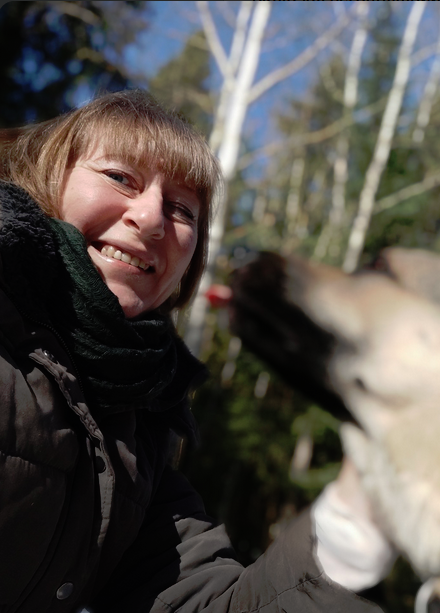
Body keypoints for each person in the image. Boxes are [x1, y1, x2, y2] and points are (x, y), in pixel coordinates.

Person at [0, 90, 394, 613]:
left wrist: (367, 503)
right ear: (43, 177)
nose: (152, 218)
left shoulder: (142, 425)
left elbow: (208, 604)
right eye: (120, 177)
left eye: (182, 209)